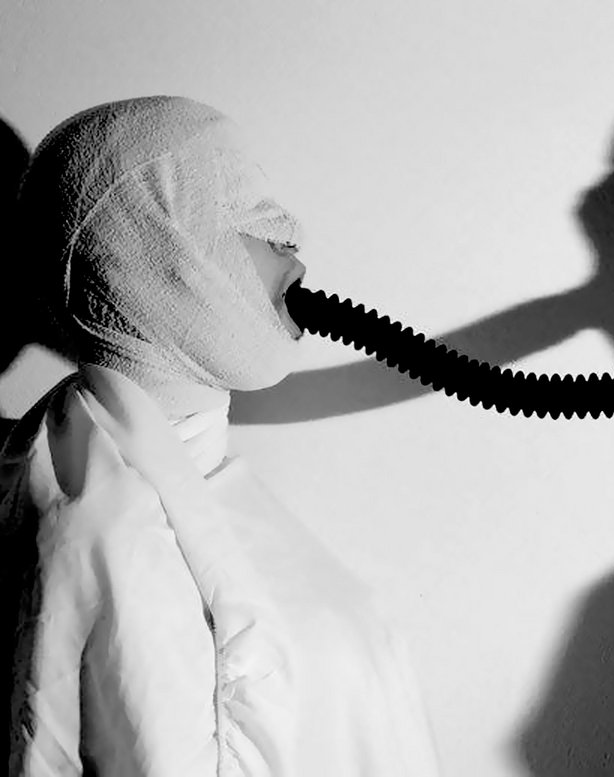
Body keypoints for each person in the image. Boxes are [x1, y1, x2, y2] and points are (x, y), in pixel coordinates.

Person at [0, 96, 440, 775]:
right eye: (241, 207)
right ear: (142, 251)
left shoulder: (195, 485)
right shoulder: (112, 538)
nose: (290, 237)